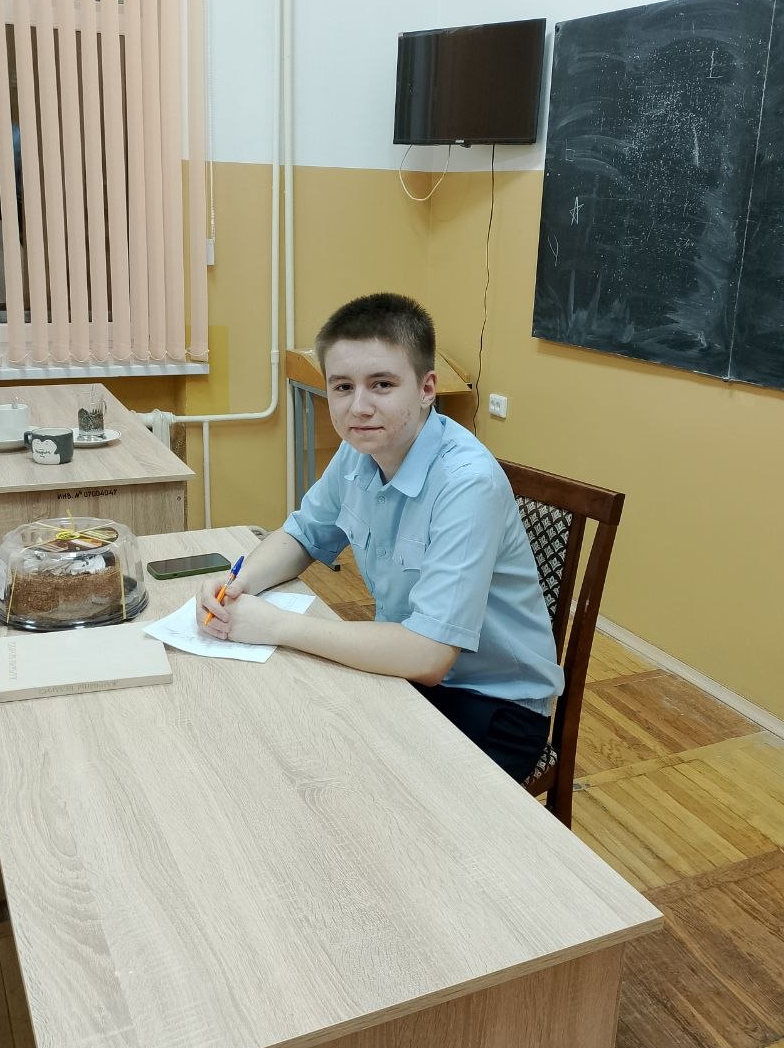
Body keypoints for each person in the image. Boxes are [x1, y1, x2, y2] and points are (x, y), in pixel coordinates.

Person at [197, 292, 563, 782]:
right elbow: (302, 535)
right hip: (405, 669)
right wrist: (237, 583)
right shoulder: (360, 451)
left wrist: (274, 626)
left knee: (342, 784)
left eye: (382, 384)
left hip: (492, 706)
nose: (359, 407)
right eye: (342, 387)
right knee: (279, 741)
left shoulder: (467, 483)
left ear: (427, 388)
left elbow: (429, 655)